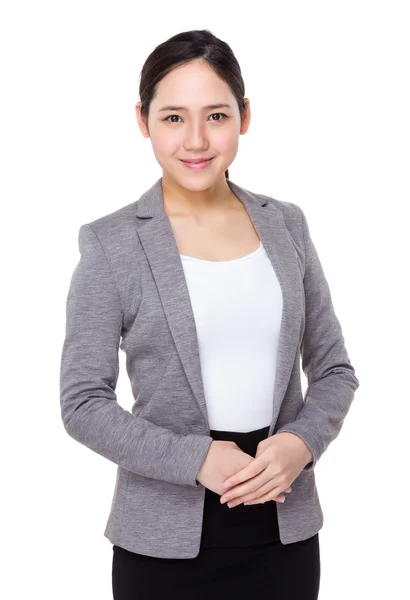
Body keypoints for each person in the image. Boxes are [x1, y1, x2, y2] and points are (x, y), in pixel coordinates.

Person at [60, 29, 359, 600]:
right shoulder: (111, 244)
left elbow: (335, 369)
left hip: (284, 529)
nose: (196, 139)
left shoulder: (286, 224)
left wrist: (301, 443)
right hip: (162, 543)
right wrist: (195, 458)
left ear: (244, 117)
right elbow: (82, 403)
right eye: (173, 118)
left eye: (216, 115)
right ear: (143, 121)